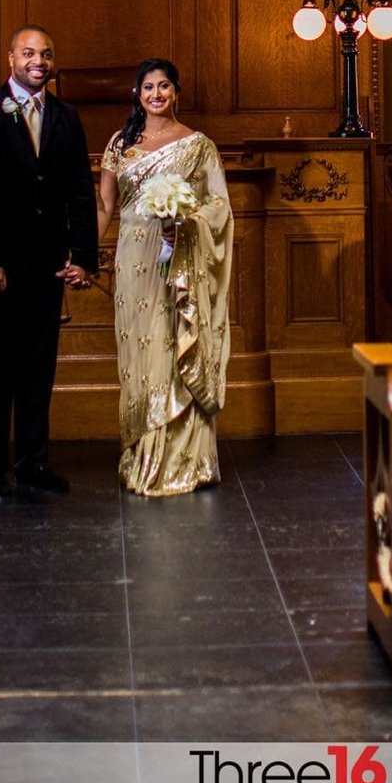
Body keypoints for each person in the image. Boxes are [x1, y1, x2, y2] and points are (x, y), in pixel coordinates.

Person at [0, 26, 100, 496]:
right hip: (1, 266)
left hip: (48, 265)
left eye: (46, 53)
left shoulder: (66, 116)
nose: (38, 60)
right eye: (29, 52)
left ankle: (34, 462)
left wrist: (83, 257)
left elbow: (82, 189)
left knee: (40, 370)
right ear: (11, 59)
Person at [100, 58, 233, 495]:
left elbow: (219, 207)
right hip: (133, 264)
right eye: (147, 88)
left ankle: (183, 461)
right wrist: (77, 253)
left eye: (164, 86)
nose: (156, 94)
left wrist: (185, 221)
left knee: (174, 344)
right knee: (140, 353)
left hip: (178, 263)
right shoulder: (120, 145)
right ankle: (143, 454)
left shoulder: (198, 145)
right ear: (136, 94)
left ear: (176, 91)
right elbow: (104, 208)